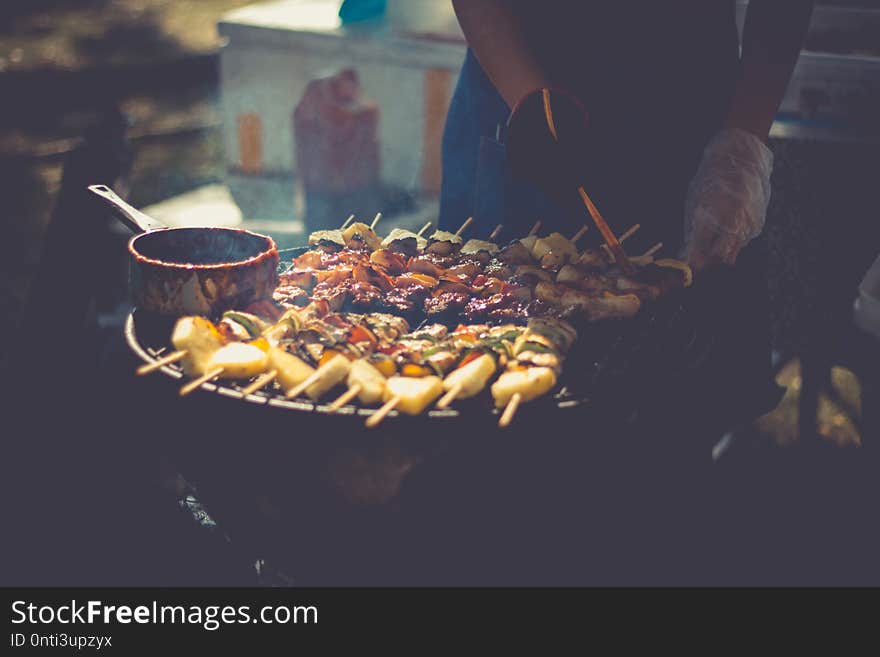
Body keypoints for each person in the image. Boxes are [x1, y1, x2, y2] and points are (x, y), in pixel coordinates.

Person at [439, 0, 813, 431]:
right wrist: (528, 97)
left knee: (677, 410)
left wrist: (743, 142)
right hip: (521, 96)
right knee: (489, 401)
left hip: (687, 120)